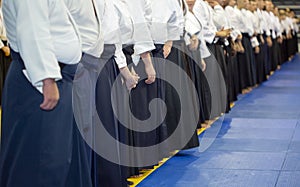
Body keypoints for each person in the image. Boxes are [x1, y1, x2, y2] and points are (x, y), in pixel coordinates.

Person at [0, 0, 92, 186]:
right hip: (39, 84)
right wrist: (46, 79)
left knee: (60, 158)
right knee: (42, 161)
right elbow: (33, 29)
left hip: (57, 78)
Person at [0, 0, 11, 106]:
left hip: (8, 45)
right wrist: (2, 47)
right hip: (1, 48)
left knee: (6, 76)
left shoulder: (4, 9)